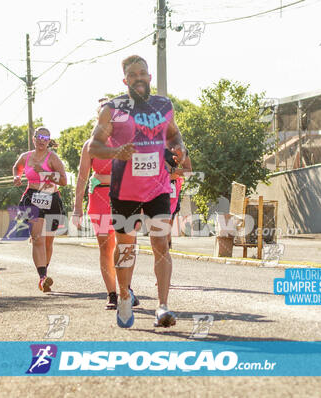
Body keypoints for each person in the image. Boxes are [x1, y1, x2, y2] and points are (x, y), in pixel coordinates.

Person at [89, 55, 187, 328]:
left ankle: (163, 307)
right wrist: (115, 152)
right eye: (133, 75)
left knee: (161, 245)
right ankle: (123, 295)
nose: (139, 78)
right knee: (126, 249)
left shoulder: (163, 105)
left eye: (142, 73)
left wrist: (180, 147)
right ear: (125, 80)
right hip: (124, 191)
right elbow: (94, 147)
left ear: (149, 76)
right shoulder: (113, 108)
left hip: (157, 188)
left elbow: (173, 135)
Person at [73, 136, 139, 310]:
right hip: (100, 198)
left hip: (127, 196)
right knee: (106, 247)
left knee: (128, 245)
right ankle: (111, 294)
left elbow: (138, 173)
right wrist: (77, 208)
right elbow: (82, 177)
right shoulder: (91, 144)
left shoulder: (130, 140)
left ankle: (127, 289)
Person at [13, 127, 68, 293]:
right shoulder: (26, 156)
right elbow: (17, 167)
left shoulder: (53, 158)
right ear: (34, 138)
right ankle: (42, 277)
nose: (42, 140)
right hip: (33, 197)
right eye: (40, 137)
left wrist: (44, 172)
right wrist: (16, 176)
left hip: (51, 198)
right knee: (37, 238)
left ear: (49, 140)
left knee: (48, 241)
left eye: (46, 137)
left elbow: (64, 180)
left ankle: (44, 272)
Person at [165, 148, 192, 249]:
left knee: (166, 225)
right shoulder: (152, 143)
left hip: (171, 188)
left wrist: (172, 170)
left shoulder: (178, 148)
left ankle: (167, 250)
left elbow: (188, 171)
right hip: (151, 187)